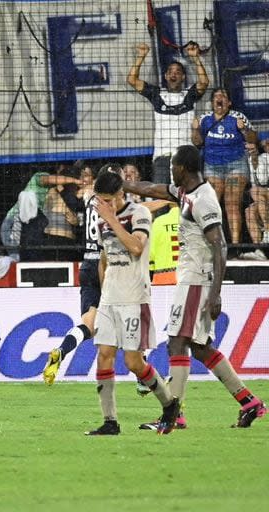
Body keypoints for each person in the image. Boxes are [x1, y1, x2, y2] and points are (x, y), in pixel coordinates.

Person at [123, 144, 266, 428]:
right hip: (192, 278)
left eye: (173, 166)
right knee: (200, 346)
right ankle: (250, 403)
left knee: (177, 341)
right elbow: (154, 188)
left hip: (197, 279)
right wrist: (124, 185)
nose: (170, 171)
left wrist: (216, 295)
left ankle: (174, 414)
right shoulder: (186, 192)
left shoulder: (204, 200)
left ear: (182, 168)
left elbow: (220, 246)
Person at [85, 170, 180, 435]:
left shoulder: (139, 214)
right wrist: (105, 292)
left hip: (134, 298)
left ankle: (169, 403)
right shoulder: (104, 219)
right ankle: (110, 422)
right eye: (99, 200)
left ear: (119, 195)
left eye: (107, 199)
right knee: (104, 356)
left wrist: (112, 220)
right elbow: (105, 259)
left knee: (133, 363)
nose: (103, 205)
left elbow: (137, 248)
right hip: (110, 299)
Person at [42, 163, 116, 385]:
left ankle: (61, 351)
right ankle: (143, 374)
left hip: (86, 263)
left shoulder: (86, 196)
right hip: (106, 263)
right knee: (125, 315)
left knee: (88, 325)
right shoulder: (112, 201)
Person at [127, 42, 209, 183]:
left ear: (183, 77)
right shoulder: (157, 94)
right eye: (170, 72)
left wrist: (195, 58)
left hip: (185, 157)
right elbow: (132, 80)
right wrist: (141, 56)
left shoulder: (189, 95)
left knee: (189, 198)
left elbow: (204, 82)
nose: (173, 74)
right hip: (162, 157)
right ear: (165, 76)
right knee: (162, 199)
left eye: (177, 72)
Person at [191, 88, 258, 249]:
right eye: (216, 97)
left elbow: (253, 138)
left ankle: (234, 246)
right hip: (213, 166)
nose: (219, 99)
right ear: (212, 102)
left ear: (229, 103)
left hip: (236, 164)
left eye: (223, 96)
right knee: (212, 205)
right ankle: (214, 245)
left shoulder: (238, 117)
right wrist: (195, 129)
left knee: (232, 203)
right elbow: (197, 142)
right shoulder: (204, 119)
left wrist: (243, 129)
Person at [242, 136, 269, 260]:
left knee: (255, 190)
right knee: (249, 211)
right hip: (262, 197)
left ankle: (268, 231)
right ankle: (260, 250)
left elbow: (262, 181)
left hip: (263, 193)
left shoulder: (265, 158)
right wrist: (254, 161)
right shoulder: (257, 159)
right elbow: (257, 182)